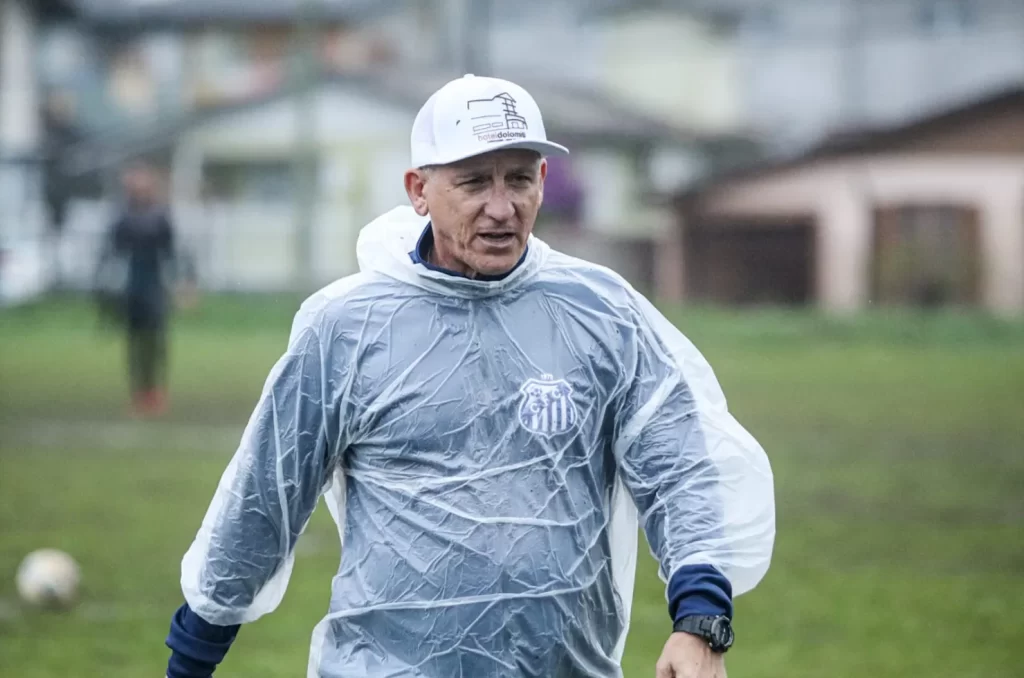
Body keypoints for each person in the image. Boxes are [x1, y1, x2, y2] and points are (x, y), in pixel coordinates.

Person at [164, 75, 775, 678]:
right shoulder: (345, 329)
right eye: (474, 181)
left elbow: (679, 472)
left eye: (518, 178)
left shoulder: (601, 314)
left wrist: (700, 623)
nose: (501, 207)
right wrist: (191, 659)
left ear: (542, 181)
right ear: (419, 189)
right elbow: (263, 501)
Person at [95, 163, 178, 416]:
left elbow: (172, 253)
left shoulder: (160, 218)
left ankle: (156, 391)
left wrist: (182, 283)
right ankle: (138, 392)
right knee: (134, 342)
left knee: (156, 342)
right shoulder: (122, 218)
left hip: (153, 285)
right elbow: (110, 254)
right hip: (131, 286)